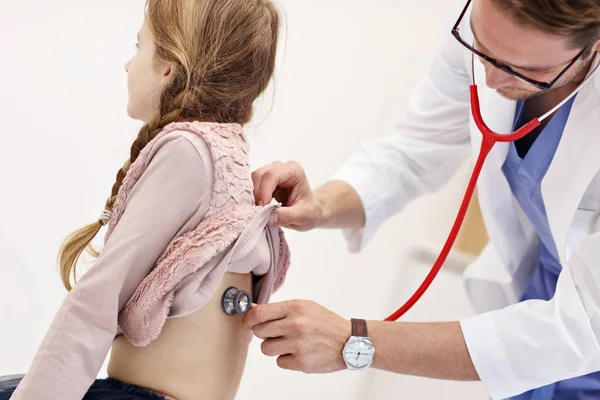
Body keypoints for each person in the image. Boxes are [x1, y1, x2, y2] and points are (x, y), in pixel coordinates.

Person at [243, 0, 600, 399]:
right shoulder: (479, 25)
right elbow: (417, 148)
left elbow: (580, 327)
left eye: (528, 70)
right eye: (482, 47)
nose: (493, 79)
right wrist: (320, 206)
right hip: (531, 311)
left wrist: (354, 340)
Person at [0, 0, 290, 399]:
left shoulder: (188, 151)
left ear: (168, 67)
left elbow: (97, 301)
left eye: (139, 47)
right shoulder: (227, 158)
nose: (127, 64)